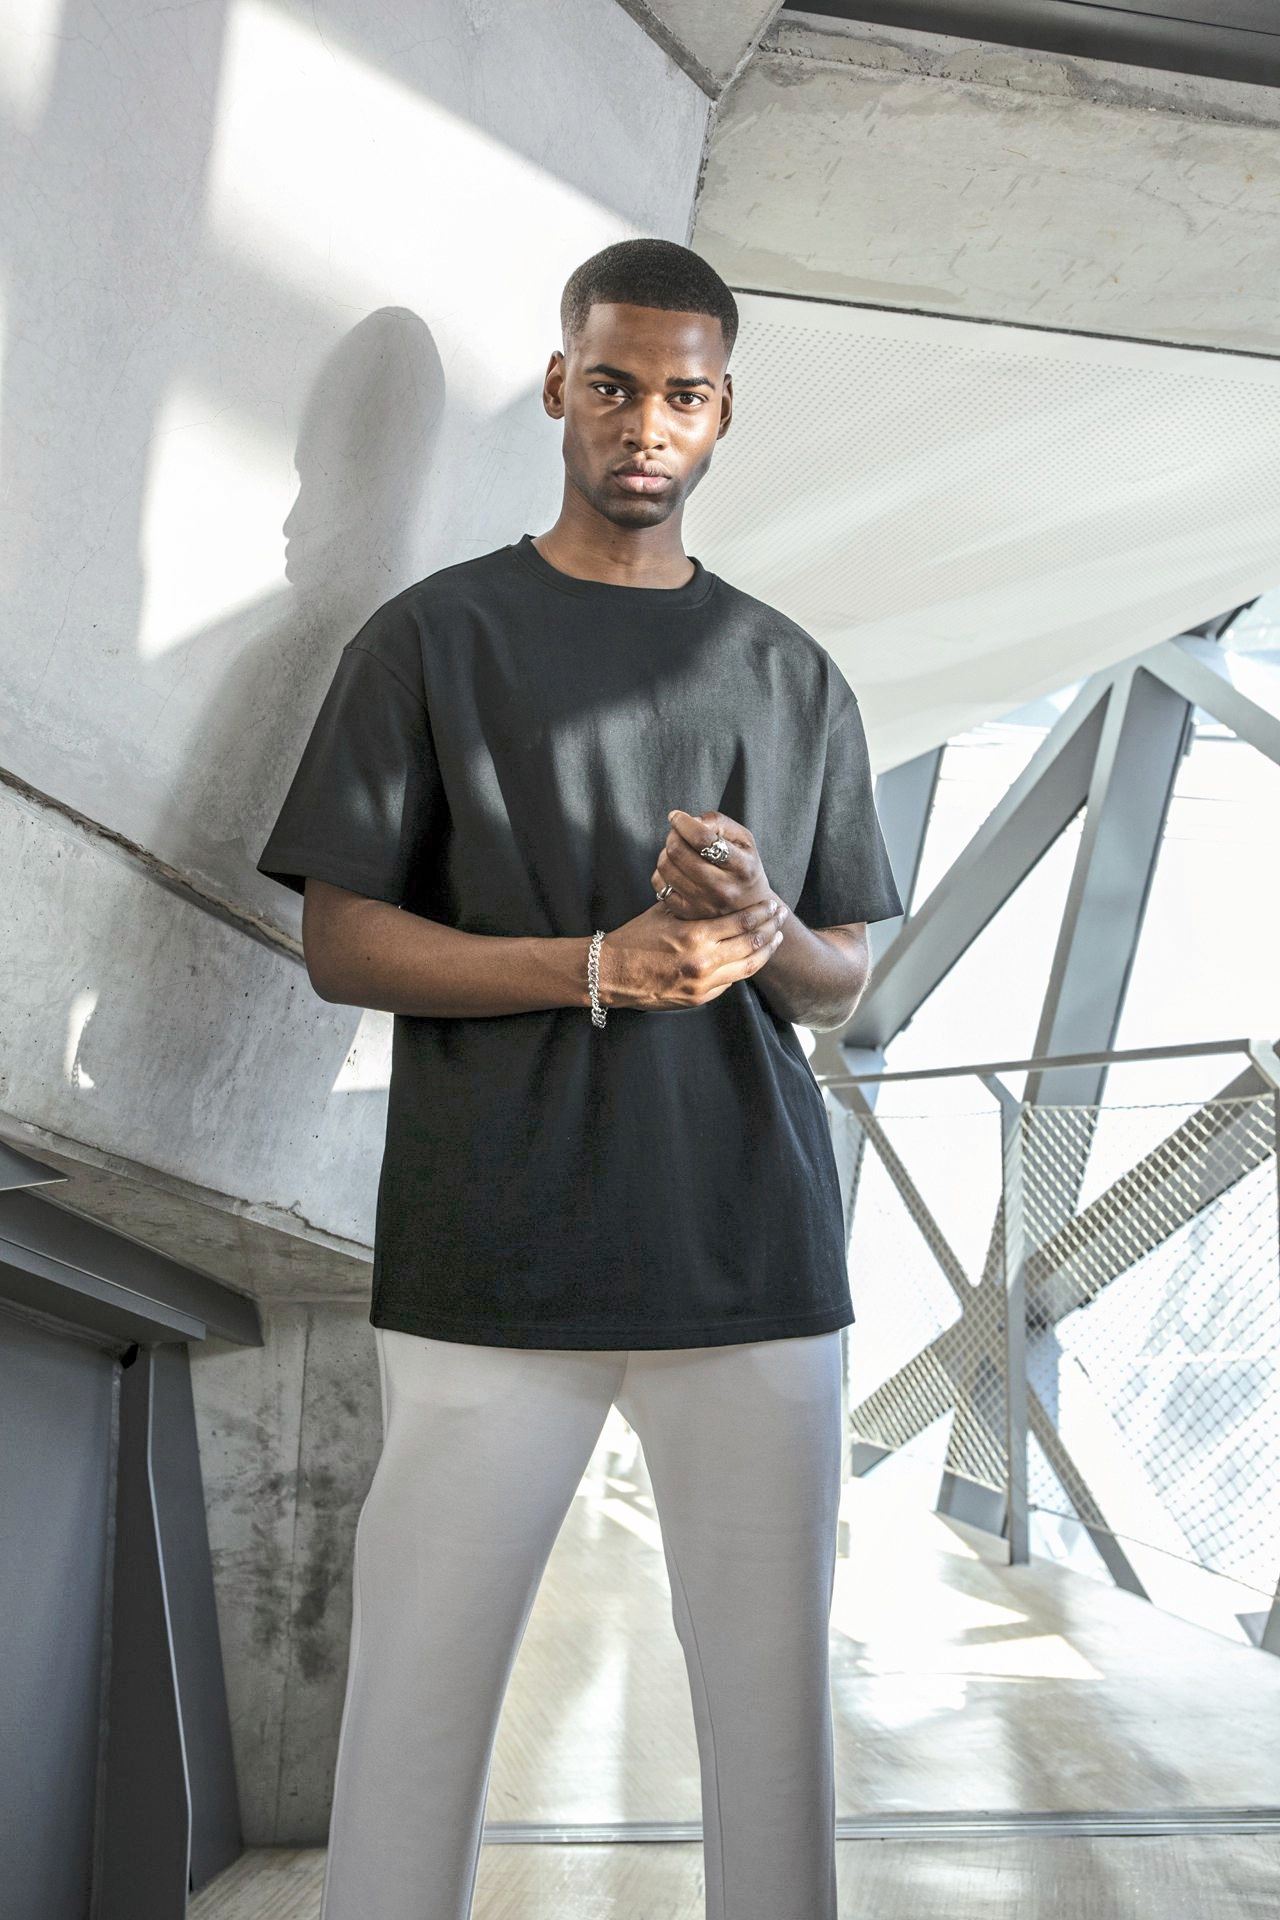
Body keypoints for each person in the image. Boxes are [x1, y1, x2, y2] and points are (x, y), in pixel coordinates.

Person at [256, 236, 903, 1920]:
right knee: (413, 1719)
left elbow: (845, 978)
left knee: (774, 1735)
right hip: (492, 1257)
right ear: (560, 385)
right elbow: (340, 940)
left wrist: (765, 925)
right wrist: (599, 966)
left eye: (684, 396)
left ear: (723, 412)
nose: (645, 425)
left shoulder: (791, 672)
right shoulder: (429, 639)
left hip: (751, 1263)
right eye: (613, 385)